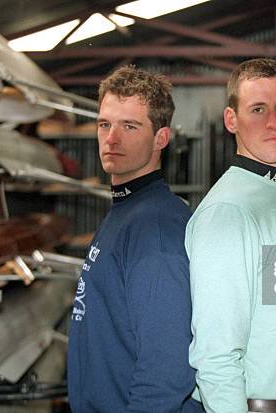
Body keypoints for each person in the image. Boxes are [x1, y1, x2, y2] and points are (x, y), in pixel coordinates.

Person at [185, 58, 276, 413]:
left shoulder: (272, 196)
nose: (273, 122)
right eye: (257, 109)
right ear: (231, 120)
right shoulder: (228, 212)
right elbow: (216, 356)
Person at [67, 66, 203, 413]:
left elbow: (168, 369)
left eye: (130, 126)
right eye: (104, 124)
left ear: (161, 138)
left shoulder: (155, 228)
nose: (111, 139)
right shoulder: (126, 212)